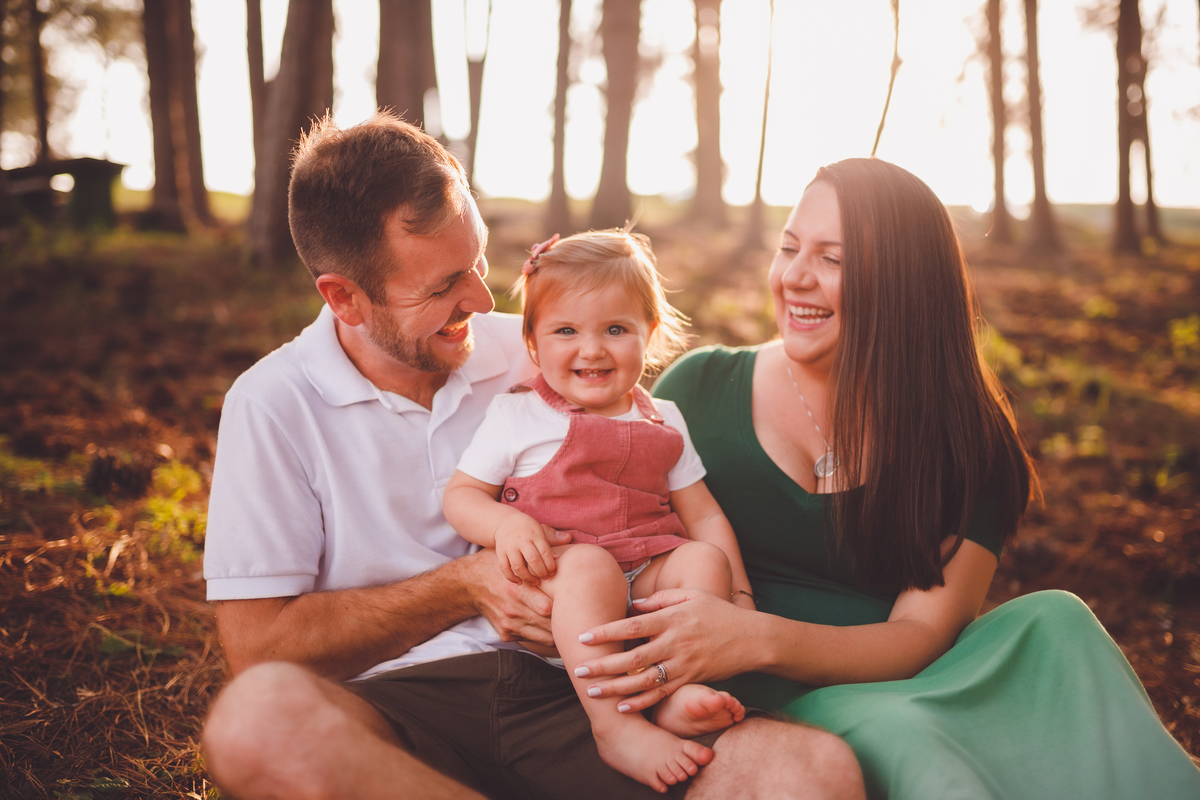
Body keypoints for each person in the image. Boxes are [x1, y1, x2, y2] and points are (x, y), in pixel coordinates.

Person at [199, 111, 866, 800]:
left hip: (582, 696)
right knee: (257, 721)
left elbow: (645, 446)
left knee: (814, 773)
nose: (483, 301)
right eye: (442, 287)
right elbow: (259, 650)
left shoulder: (542, 349)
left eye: (480, 263)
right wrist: (462, 586)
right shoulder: (273, 405)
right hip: (401, 714)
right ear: (345, 298)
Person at [563, 158, 1200, 799]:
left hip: (896, 679)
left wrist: (755, 636)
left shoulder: (969, 440)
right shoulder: (697, 391)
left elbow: (920, 635)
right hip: (736, 705)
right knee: (910, 740)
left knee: (1057, 626)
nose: (795, 278)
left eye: (833, 260)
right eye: (788, 249)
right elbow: (603, 527)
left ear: (903, 283)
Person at [444, 229, 755, 792]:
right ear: (533, 343)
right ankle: (616, 727)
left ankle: (673, 689)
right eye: (566, 331)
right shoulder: (519, 415)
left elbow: (704, 515)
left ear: (649, 335)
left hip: (646, 575)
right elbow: (461, 496)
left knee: (704, 560)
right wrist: (508, 524)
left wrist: (740, 602)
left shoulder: (663, 416)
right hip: (567, 584)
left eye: (616, 329)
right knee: (588, 564)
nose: (591, 349)